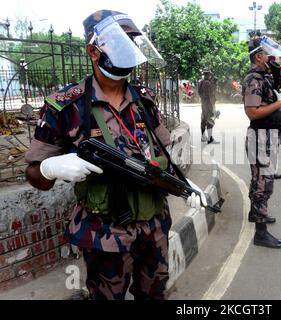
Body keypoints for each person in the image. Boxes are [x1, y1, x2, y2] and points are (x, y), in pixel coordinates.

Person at [24, 10, 203, 300]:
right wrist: (49, 168)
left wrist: (184, 184)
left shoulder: (143, 99)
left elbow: (163, 156)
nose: (128, 51)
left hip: (154, 225)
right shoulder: (66, 106)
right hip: (103, 234)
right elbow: (34, 176)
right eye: (119, 44)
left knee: (155, 294)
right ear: (93, 51)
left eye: (131, 43)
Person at [242, 36, 281, 249]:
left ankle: (256, 214)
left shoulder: (264, 76)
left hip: (267, 137)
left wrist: (277, 76)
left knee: (259, 180)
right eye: (268, 56)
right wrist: (279, 103)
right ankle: (260, 234)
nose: (271, 59)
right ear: (259, 56)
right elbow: (252, 112)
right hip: (260, 138)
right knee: (263, 184)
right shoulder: (254, 79)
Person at [198, 68, 219, 144]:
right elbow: (211, 94)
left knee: (203, 120)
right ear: (209, 74)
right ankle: (210, 139)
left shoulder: (200, 82)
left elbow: (199, 93)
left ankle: (203, 136)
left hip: (203, 103)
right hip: (209, 103)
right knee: (210, 120)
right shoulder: (208, 83)